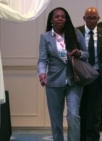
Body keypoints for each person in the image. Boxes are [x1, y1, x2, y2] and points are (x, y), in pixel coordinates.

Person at [37, 7, 88, 141]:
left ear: (67, 19)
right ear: (51, 20)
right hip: (53, 82)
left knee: (73, 115)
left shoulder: (76, 33)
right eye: (57, 16)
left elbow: (86, 54)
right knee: (56, 119)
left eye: (63, 16)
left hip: (74, 81)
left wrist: (79, 53)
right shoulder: (45, 37)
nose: (60, 19)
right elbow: (42, 59)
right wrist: (42, 73)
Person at [77, 7, 102, 141]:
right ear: (84, 18)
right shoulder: (76, 32)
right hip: (80, 79)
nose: (92, 20)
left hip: (97, 80)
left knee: (95, 114)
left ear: (98, 19)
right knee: (81, 112)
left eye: (94, 18)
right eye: (89, 17)